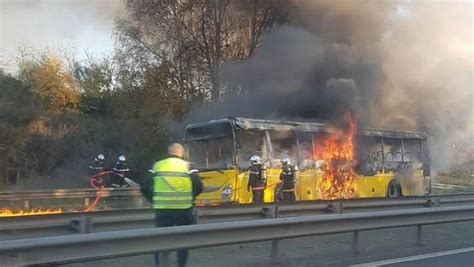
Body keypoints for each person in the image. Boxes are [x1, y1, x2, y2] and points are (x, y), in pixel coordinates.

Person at [151, 143, 203, 267]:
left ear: (169, 152)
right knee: (182, 241)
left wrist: (155, 199)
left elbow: (145, 185)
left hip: (162, 210)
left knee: (160, 240)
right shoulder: (188, 166)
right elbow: (198, 186)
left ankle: (160, 264)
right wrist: (190, 198)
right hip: (183, 209)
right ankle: (181, 265)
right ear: (182, 153)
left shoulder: (158, 165)